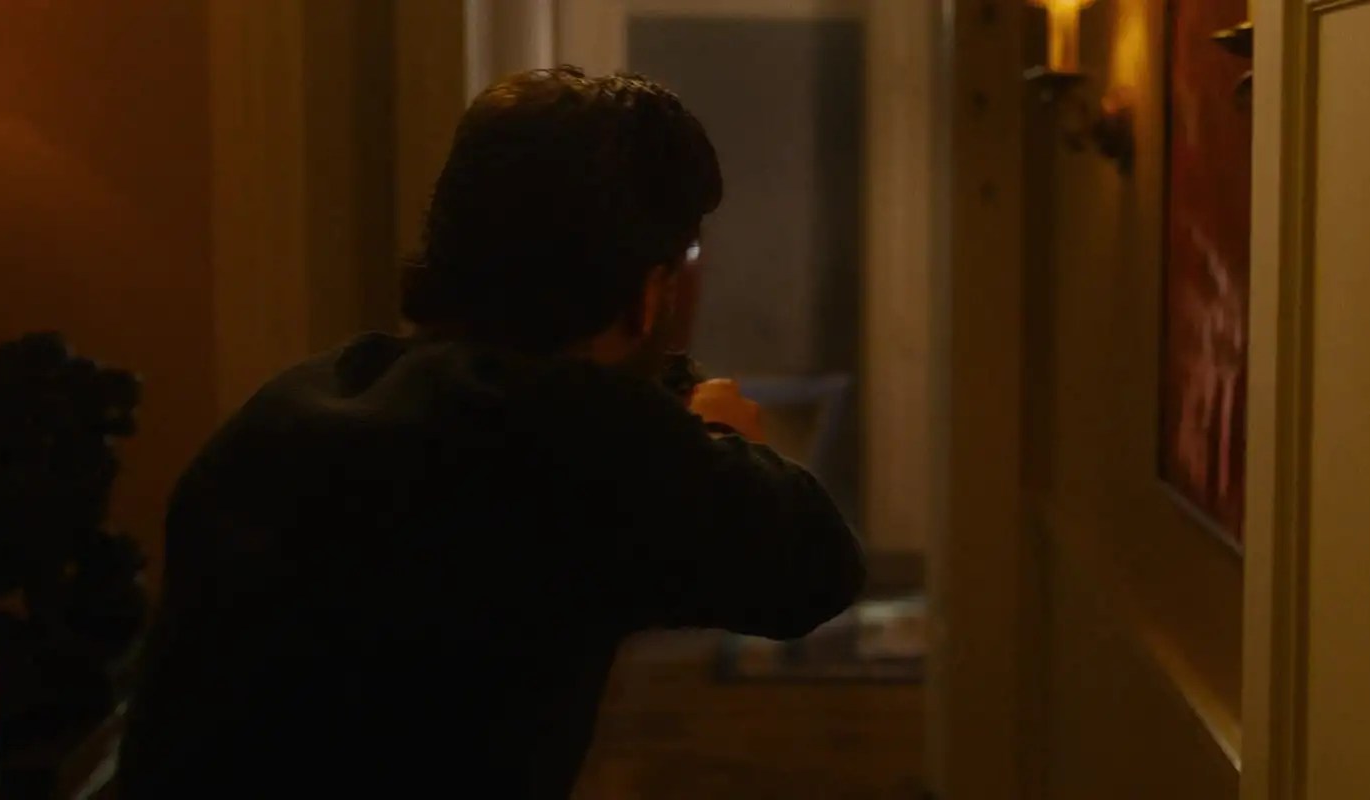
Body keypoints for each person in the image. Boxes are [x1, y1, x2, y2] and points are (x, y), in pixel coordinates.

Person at [116, 67, 865, 799]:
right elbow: (816, 567)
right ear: (649, 294)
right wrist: (720, 437)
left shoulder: (290, 406)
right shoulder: (584, 441)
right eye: (687, 260)